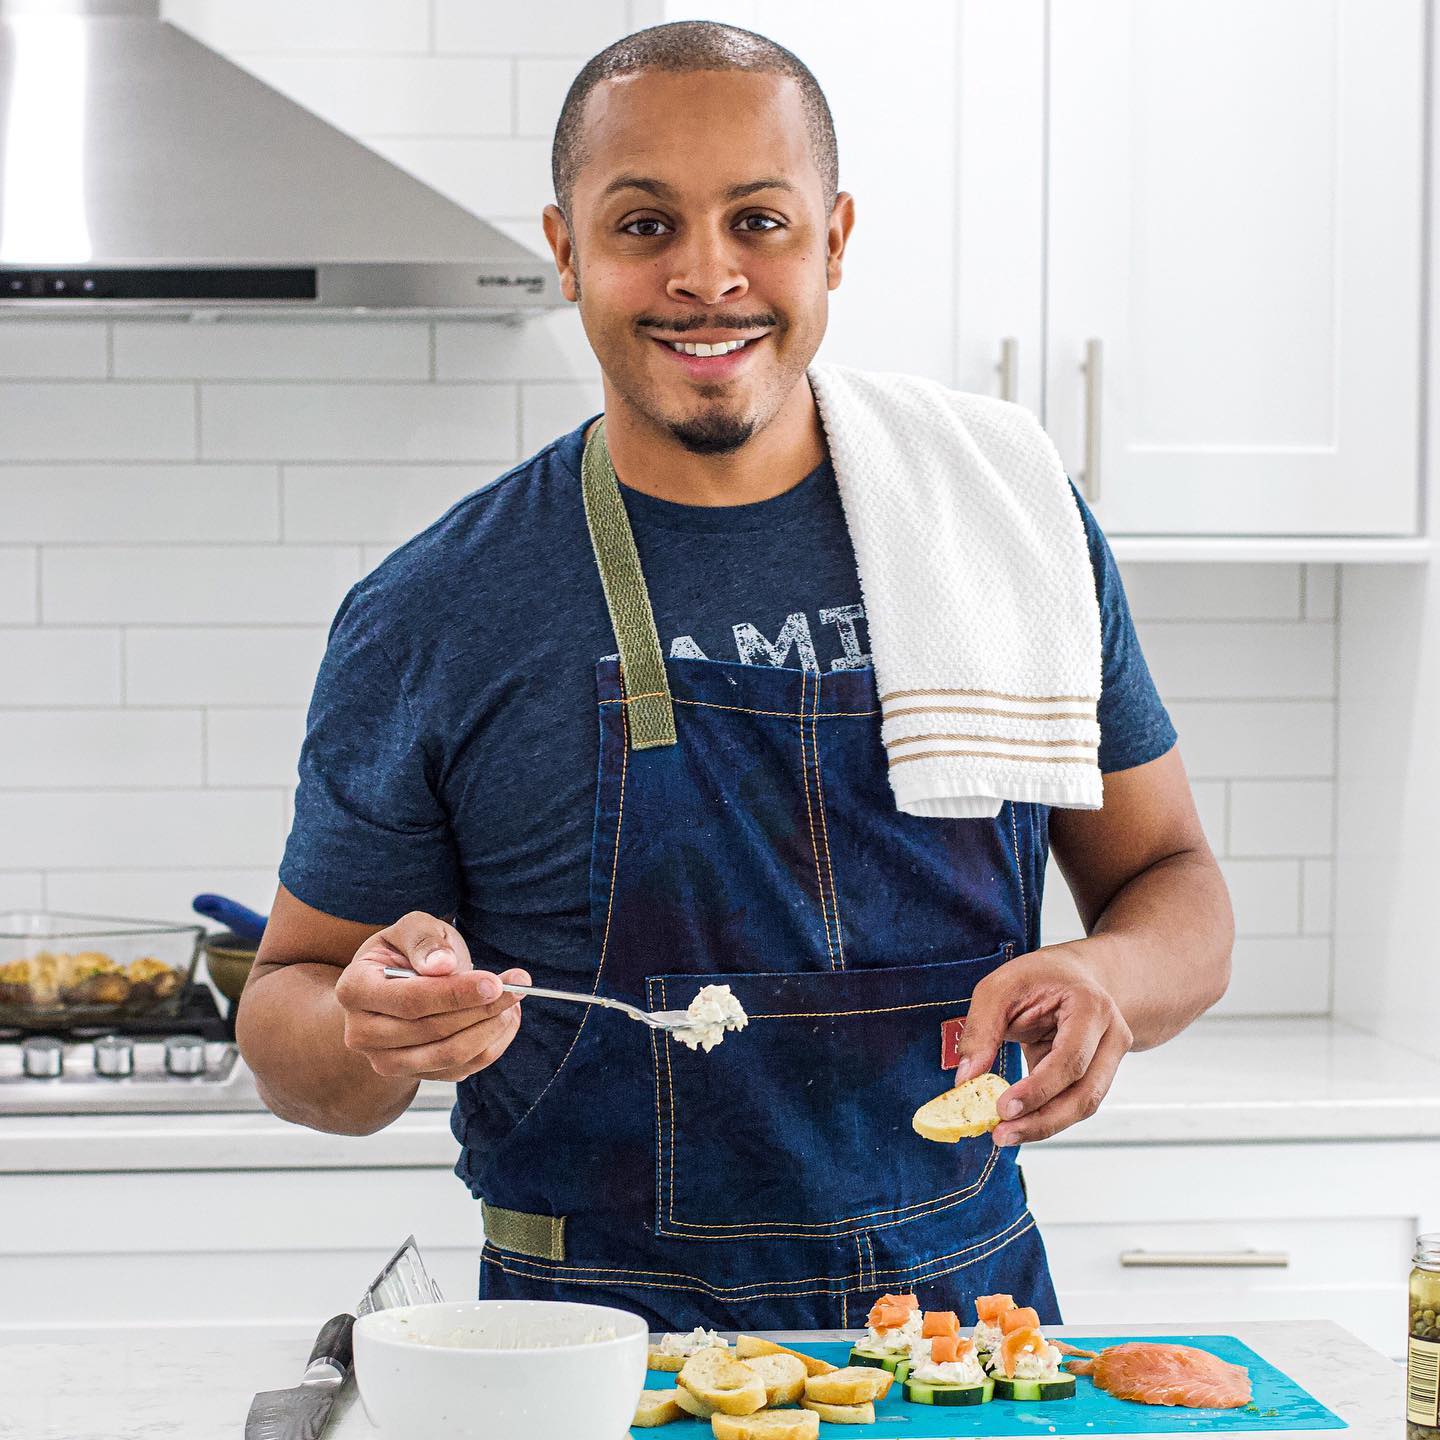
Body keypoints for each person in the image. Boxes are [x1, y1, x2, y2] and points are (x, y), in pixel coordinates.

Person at [239, 20, 1233, 1331]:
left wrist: (1111, 980)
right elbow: (289, 1015)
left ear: (834, 236)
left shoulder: (1010, 527)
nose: (708, 277)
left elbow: (1174, 887)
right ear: (565, 247)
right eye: (644, 224)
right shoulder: (435, 610)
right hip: (589, 1352)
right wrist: (368, 1036)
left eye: (758, 220)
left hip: (965, 1336)